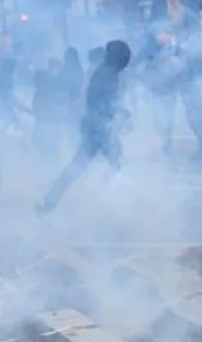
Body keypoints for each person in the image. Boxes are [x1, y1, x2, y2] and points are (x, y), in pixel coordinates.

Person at [36, 39, 132, 213]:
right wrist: (113, 119)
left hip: (97, 129)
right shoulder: (105, 76)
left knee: (81, 168)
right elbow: (100, 104)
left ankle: (48, 203)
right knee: (115, 168)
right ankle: (120, 208)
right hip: (98, 130)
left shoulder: (108, 73)